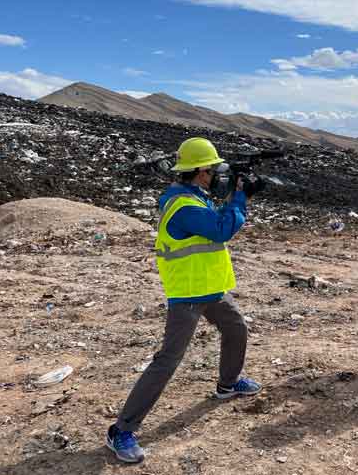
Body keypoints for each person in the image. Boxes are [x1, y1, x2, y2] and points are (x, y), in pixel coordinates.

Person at [106, 137, 261, 463]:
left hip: (208, 290)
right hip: (188, 295)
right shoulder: (184, 206)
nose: (217, 174)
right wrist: (241, 199)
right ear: (200, 171)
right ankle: (121, 430)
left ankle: (227, 384)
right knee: (167, 361)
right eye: (214, 169)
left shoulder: (192, 196)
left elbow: (211, 225)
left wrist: (234, 195)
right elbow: (220, 230)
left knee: (236, 330)